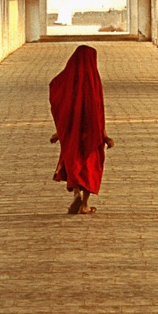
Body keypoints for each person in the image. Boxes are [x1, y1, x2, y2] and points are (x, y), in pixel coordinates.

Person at [49, 44, 115, 214]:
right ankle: (85, 204)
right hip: (92, 133)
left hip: (71, 134)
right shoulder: (94, 81)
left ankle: (76, 195)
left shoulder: (68, 82)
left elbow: (62, 106)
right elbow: (98, 111)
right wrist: (105, 135)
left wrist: (60, 132)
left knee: (73, 163)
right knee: (90, 167)